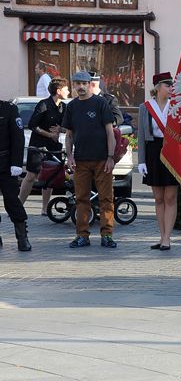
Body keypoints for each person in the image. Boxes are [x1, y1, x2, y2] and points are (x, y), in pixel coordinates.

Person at [63, 72, 117, 249]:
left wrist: (111, 157)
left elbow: (110, 132)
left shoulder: (100, 103)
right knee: (82, 199)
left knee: (106, 199)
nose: (80, 86)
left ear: (90, 84)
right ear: (74, 85)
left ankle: (107, 235)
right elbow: (69, 135)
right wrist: (69, 156)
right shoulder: (71, 107)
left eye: (83, 83)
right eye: (77, 83)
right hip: (80, 161)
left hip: (102, 159)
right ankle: (82, 235)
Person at [138, 72, 179, 251]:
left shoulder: (176, 106)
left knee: (170, 196)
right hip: (153, 152)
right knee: (158, 197)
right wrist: (141, 160)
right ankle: (162, 236)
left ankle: (167, 238)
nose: (170, 89)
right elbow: (141, 136)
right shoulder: (146, 107)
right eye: (167, 85)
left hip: (172, 151)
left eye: (171, 85)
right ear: (157, 88)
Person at [20, 78, 69, 215]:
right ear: (58, 91)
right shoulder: (44, 104)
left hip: (54, 146)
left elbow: (66, 126)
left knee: (50, 176)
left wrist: (60, 129)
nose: (69, 91)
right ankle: (18, 206)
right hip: (38, 145)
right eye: (66, 89)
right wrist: (49, 134)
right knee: (31, 175)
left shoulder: (63, 107)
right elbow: (32, 125)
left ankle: (44, 208)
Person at [0, 100, 31, 251]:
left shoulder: (8, 109)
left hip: (5, 165)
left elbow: (18, 138)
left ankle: (22, 238)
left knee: (12, 201)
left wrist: (16, 163)